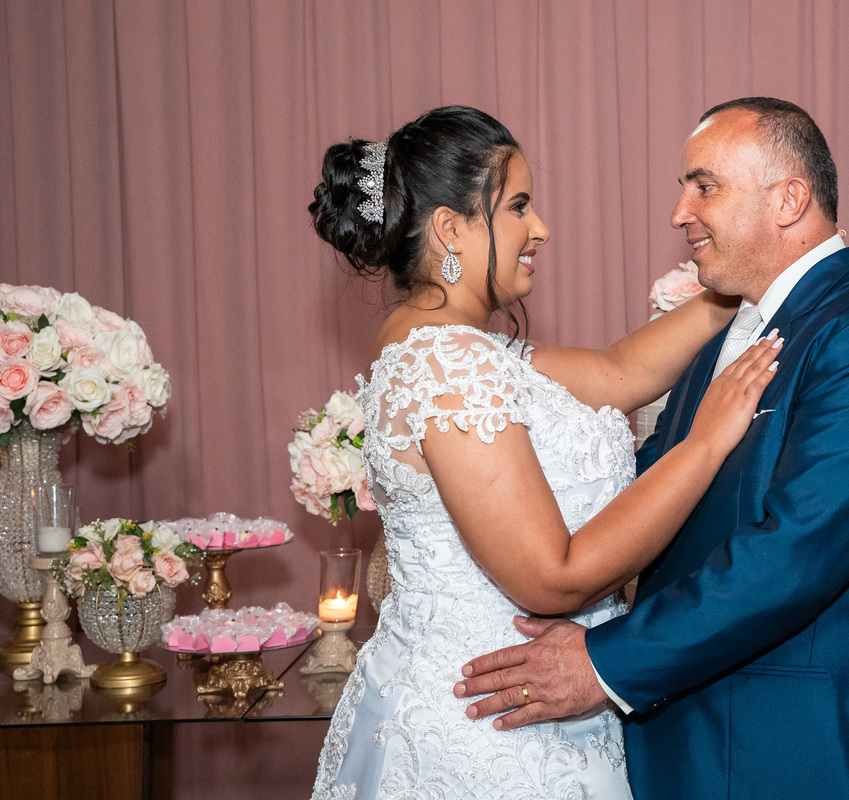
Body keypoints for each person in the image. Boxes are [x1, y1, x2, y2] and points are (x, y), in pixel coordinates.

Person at [456, 97, 849, 800]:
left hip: (808, 753)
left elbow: (794, 555)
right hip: (688, 740)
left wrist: (601, 663)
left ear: (788, 199)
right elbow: (659, 492)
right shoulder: (732, 331)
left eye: (704, 186)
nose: (679, 213)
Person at [306, 105, 781, 800]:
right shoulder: (446, 363)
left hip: (525, 709)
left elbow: (621, 371)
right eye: (519, 206)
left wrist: (746, 274)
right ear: (450, 228)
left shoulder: (458, 348)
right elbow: (550, 579)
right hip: (488, 737)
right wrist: (705, 444)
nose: (540, 229)